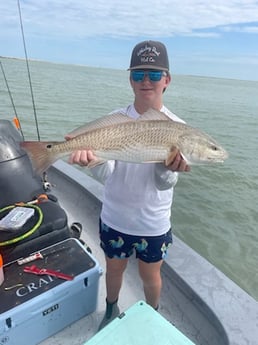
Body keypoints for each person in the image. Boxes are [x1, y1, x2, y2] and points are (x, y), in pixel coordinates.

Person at [68, 40, 190, 329]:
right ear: (130, 80)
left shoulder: (178, 128)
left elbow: (164, 184)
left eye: (153, 74)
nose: (145, 81)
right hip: (116, 218)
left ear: (167, 80)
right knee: (114, 270)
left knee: (151, 278)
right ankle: (110, 309)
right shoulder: (115, 121)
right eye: (138, 74)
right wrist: (91, 163)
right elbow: (108, 174)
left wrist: (167, 168)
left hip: (153, 223)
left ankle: (151, 318)